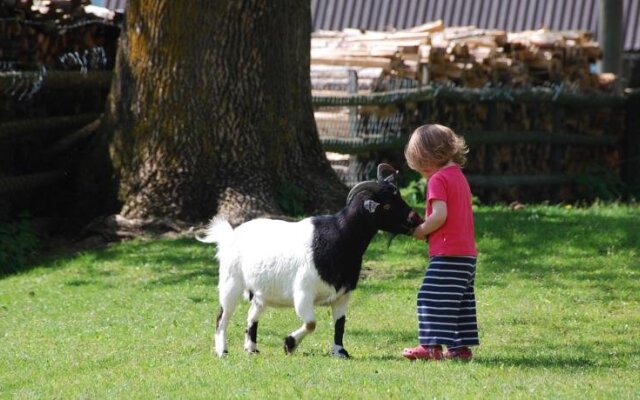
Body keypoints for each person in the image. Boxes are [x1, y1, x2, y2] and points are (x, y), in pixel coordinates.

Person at [401, 124, 479, 361]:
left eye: (420, 167)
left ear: (427, 159)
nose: (422, 173)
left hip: (448, 252)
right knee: (456, 301)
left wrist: (421, 230)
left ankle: (430, 346)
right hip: (467, 254)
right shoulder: (459, 177)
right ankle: (459, 348)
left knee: (430, 296)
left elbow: (440, 215)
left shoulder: (438, 179)